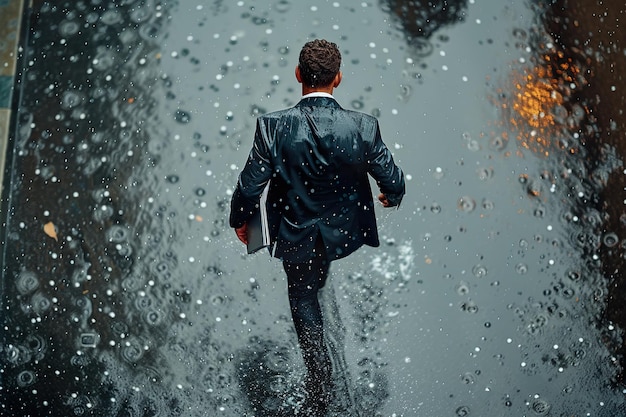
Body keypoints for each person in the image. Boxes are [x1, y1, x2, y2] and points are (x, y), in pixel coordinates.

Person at [229, 39, 405, 415]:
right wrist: (391, 194)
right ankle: (320, 287)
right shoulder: (362, 127)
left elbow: (248, 187)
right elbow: (393, 180)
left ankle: (319, 376)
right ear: (337, 78)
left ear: (297, 75)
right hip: (339, 230)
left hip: (295, 230)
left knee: (303, 296)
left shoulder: (272, 128)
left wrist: (240, 220)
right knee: (317, 273)